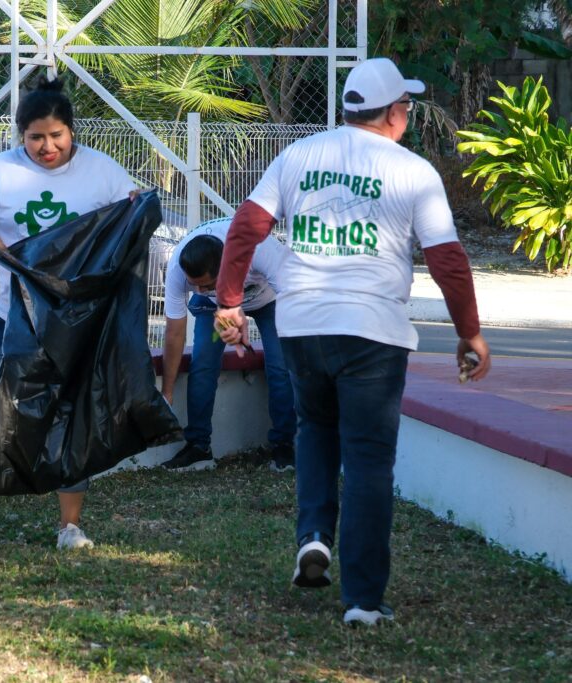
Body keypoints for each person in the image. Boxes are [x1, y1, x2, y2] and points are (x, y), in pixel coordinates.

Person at [213, 58, 491, 626]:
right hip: (373, 333)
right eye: (406, 107)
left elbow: (246, 226)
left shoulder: (298, 156)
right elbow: (448, 261)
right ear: (393, 114)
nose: (407, 115)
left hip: (302, 325)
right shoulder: (413, 171)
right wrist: (469, 334)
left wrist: (229, 301)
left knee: (315, 429)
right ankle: (363, 600)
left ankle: (314, 535)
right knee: (367, 461)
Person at [0, 76, 139, 552]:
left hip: (75, 320)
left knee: (72, 409)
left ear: (72, 131)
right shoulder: (1, 171)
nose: (47, 146)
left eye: (56, 136)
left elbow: (131, 212)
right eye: (35, 137)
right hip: (11, 314)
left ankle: (70, 526)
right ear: (21, 135)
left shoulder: (103, 171)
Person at [159, 217, 296, 472]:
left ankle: (284, 446)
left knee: (280, 366)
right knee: (203, 364)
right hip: (214, 310)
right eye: (194, 285)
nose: (199, 291)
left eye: (207, 284)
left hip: (270, 300)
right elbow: (174, 334)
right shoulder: (179, 269)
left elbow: (295, 301)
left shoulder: (260, 249)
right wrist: (166, 392)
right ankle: (198, 446)